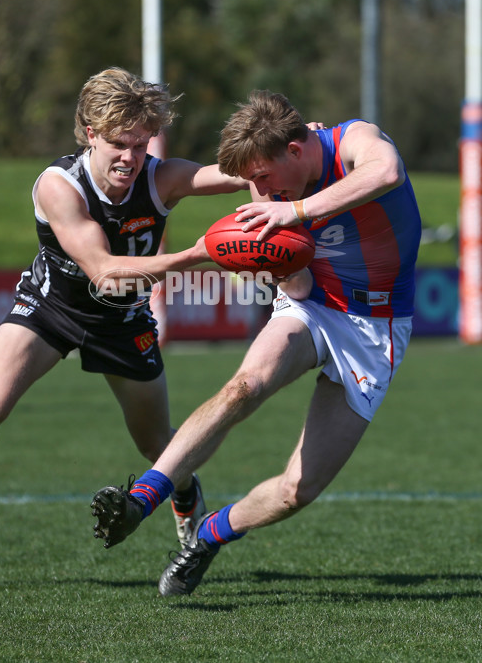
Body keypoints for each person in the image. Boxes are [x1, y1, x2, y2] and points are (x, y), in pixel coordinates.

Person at [0, 67, 251, 549]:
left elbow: (233, 172)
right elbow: (103, 269)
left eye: (141, 144)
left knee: (156, 446)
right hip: (50, 308)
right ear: (91, 133)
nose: (131, 157)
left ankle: (185, 497)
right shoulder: (59, 185)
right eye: (119, 144)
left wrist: (285, 151)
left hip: (123, 320)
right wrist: (197, 254)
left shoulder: (160, 178)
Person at [90, 89, 422, 596]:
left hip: (375, 325)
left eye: (262, 176)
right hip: (314, 305)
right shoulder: (267, 190)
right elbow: (301, 286)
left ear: (295, 150)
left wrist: (301, 212)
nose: (257, 190)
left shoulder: (352, 140)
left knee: (297, 490)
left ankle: (210, 534)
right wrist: (276, 265)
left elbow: (386, 173)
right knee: (244, 386)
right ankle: (143, 497)